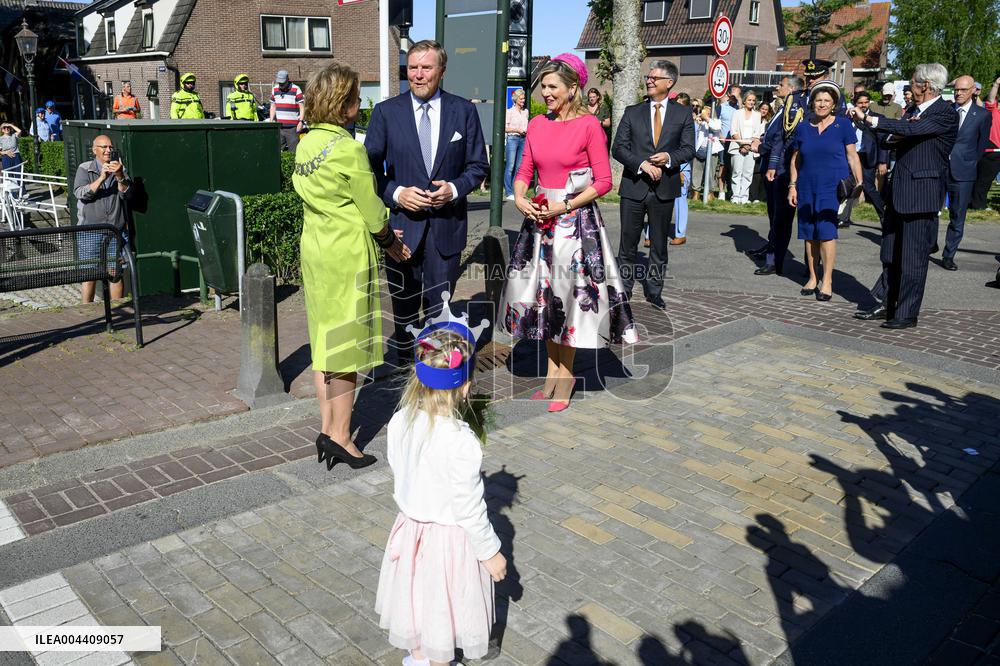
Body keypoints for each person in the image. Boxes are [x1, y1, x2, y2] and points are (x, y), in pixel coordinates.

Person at [501, 54, 637, 411]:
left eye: (553, 87)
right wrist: (519, 197)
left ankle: (566, 376)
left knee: (570, 298)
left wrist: (564, 205)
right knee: (545, 299)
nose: (545, 93)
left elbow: (604, 181)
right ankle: (551, 374)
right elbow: (525, 169)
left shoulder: (589, 125)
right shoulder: (537, 125)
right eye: (543, 86)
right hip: (540, 220)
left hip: (575, 223)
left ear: (572, 88)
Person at [292, 62, 410, 470]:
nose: (360, 105)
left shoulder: (305, 143)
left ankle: (327, 427)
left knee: (325, 340)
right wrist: (391, 242)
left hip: (316, 249)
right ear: (342, 105)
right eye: (357, 98)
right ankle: (342, 436)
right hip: (346, 253)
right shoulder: (349, 149)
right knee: (345, 344)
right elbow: (372, 210)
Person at [376, 315, 505, 666]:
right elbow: (469, 508)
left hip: (410, 530)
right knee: (442, 607)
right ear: (465, 387)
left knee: (417, 600)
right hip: (448, 541)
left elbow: (398, 467)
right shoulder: (462, 442)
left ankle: (418, 658)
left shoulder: (400, 420)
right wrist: (490, 551)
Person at [365, 40, 489, 363]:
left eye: (426, 67)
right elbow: (369, 171)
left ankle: (435, 379)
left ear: (442, 71)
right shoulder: (386, 113)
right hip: (402, 232)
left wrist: (454, 189)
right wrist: (396, 193)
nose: (418, 75)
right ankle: (406, 378)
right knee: (404, 313)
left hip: (446, 231)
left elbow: (478, 166)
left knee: (440, 311)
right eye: (413, 68)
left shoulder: (463, 111)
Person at [850, 63, 957, 329]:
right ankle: (886, 302)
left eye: (912, 83)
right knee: (890, 252)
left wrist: (870, 118)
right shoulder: (912, 111)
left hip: (921, 195)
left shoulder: (944, 112)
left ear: (926, 85)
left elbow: (909, 130)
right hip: (899, 192)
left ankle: (906, 313)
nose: (909, 87)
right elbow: (891, 137)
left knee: (912, 258)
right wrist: (878, 129)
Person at [612, 59, 694, 309]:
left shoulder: (682, 114)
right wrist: (641, 164)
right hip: (634, 186)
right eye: (648, 77)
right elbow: (618, 148)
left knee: (659, 244)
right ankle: (624, 288)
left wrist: (668, 158)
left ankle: (655, 291)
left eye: (654, 78)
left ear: (669, 82)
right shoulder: (632, 112)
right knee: (628, 243)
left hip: (664, 189)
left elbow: (688, 149)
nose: (648, 80)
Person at [788, 81, 862, 301]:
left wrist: (859, 184)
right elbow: (795, 159)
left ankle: (827, 281)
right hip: (806, 186)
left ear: (834, 104)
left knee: (826, 232)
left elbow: (852, 156)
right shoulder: (803, 127)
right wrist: (792, 186)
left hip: (832, 187)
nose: (822, 104)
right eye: (818, 100)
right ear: (812, 103)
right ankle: (813, 277)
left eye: (826, 101)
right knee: (809, 234)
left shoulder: (843, 125)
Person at [750, 75, 807, 275]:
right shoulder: (783, 108)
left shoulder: (795, 108)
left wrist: (761, 147)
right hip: (774, 166)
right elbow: (774, 135)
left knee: (781, 219)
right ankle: (771, 248)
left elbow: (781, 140)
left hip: (783, 169)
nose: (777, 87)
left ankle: (774, 260)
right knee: (774, 215)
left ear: (791, 88)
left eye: (781, 84)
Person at [940, 75, 992, 270]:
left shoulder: (982, 115)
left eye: (963, 90)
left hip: (963, 172)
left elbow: (982, 144)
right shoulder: (946, 111)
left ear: (973, 91)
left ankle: (948, 255)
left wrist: (970, 162)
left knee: (957, 215)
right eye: (956, 90)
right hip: (940, 168)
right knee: (930, 211)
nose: (958, 93)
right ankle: (928, 244)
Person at [74, 135, 133, 304]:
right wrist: (101, 178)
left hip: (114, 230)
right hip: (90, 231)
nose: (108, 150)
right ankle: (87, 312)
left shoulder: (120, 168)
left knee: (115, 273)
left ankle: (117, 311)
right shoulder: (85, 169)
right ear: (95, 150)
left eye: (110, 147)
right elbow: (80, 194)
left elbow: (127, 194)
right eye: (104, 147)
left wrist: (119, 175)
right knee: (90, 275)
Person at [838, 91, 888, 228]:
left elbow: (882, 142)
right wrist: (847, 116)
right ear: (854, 103)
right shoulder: (846, 118)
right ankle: (843, 218)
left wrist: (882, 161)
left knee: (868, 188)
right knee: (846, 186)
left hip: (866, 157)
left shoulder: (876, 118)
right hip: (849, 156)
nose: (864, 105)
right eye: (860, 103)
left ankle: (884, 217)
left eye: (866, 102)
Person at [728, 91, 763, 204]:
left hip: (751, 147)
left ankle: (744, 196)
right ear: (744, 101)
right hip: (737, 146)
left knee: (748, 173)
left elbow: (757, 133)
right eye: (749, 100)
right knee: (736, 172)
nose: (751, 102)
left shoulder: (757, 115)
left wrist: (748, 145)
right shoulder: (737, 113)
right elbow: (733, 131)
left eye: (753, 100)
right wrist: (742, 144)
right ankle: (735, 196)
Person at [971, 76, 1000, 210]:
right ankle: (978, 204)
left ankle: (974, 202)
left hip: (996, 151)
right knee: (984, 180)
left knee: (984, 179)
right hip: (992, 149)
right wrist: (996, 84)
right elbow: (990, 99)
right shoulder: (992, 110)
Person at [670, 92, 693, 245]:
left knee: (680, 200)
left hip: (681, 166)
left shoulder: (690, 124)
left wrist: (680, 170)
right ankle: (651, 234)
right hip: (667, 164)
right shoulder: (669, 121)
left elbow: (689, 149)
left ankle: (680, 233)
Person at [269, 70, 304, 150]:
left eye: (282, 83)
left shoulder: (296, 89)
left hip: (293, 128)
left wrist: (301, 122)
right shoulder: (275, 89)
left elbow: (302, 107)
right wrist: (271, 121)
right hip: (279, 127)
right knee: (277, 151)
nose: (280, 84)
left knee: (293, 151)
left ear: (287, 79)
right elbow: (273, 106)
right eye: (279, 82)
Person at [503, 88, 528, 200]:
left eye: (524, 98)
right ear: (516, 99)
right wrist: (517, 130)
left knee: (518, 167)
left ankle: (514, 190)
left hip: (523, 139)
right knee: (510, 166)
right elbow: (505, 128)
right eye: (521, 99)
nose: (523, 100)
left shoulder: (525, 112)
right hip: (513, 138)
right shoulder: (510, 111)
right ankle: (508, 191)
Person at [717, 85, 742, 201]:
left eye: (738, 94)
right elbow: (715, 123)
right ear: (728, 94)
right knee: (723, 166)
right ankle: (721, 191)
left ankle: (732, 191)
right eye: (734, 93)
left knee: (735, 167)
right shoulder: (722, 107)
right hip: (724, 142)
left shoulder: (740, 109)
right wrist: (719, 135)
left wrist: (739, 100)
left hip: (736, 142)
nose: (735, 96)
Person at [749, 101, 773, 203]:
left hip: (761, 150)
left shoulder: (768, 123)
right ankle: (751, 196)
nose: (764, 111)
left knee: (759, 173)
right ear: (759, 109)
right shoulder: (752, 119)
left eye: (766, 109)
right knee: (751, 173)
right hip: (750, 148)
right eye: (762, 109)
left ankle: (759, 197)